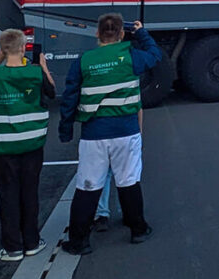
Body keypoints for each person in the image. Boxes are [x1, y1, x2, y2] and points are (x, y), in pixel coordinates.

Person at [58, 15, 163, 255]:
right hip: (126, 131)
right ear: (122, 34)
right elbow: (155, 55)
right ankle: (138, 229)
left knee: (88, 186)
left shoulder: (84, 61)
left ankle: (79, 241)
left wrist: (66, 129)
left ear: (97, 34)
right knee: (128, 181)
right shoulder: (131, 56)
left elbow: (69, 98)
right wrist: (143, 34)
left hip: (94, 134)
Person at [0, 30, 56, 261]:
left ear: (3, 50)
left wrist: (4, 51)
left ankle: (12, 246)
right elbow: (51, 90)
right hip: (32, 143)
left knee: (8, 195)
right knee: (30, 192)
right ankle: (32, 241)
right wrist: (42, 65)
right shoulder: (35, 72)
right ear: (25, 47)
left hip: (4, 146)